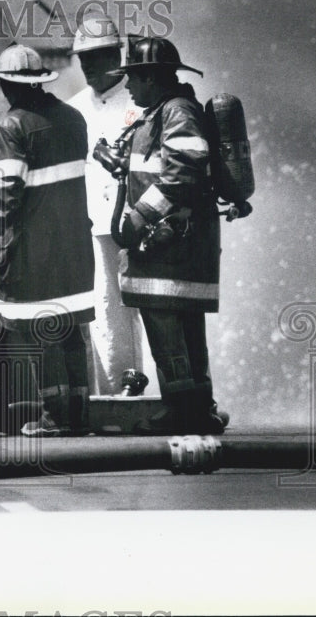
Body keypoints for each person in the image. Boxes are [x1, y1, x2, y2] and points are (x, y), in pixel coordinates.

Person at [0, 44, 96, 437]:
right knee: (71, 328)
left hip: (33, 253)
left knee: (41, 332)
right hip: (75, 247)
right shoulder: (74, 119)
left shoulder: (9, 129)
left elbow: (2, 196)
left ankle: (55, 417)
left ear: (9, 85)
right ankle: (78, 412)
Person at [107, 35, 228, 435]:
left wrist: (140, 216)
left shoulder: (177, 112)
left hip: (171, 245)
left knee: (165, 324)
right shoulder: (163, 111)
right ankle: (198, 407)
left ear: (152, 79)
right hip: (176, 244)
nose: (127, 86)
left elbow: (183, 171)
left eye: (133, 78)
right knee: (184, 327)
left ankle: (182, 408)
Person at [66, 14, 149, 396]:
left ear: (118, 53)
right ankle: (116, 394)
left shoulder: (144, 99)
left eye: (99, 57)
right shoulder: (73, 109)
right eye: (84, 59)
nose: (91, 67)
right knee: (105, 310)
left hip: (144, 220)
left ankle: (178, 395)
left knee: (155, 309)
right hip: (95, 225)